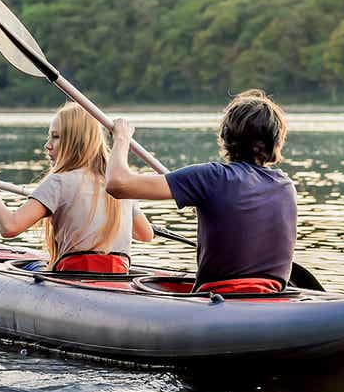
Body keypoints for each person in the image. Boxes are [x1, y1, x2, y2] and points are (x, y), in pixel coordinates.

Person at [105, 89, 296, 293]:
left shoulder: (210, 177)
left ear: (226, 136)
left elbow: (118, 183)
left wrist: (122, 138)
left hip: (218, 295)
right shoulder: (286, 186)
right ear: (276, 141)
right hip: (272, 295)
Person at [0, 102, 153, 273]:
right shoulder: (119, 186)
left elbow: (9, 227)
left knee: (30, 265)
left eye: (55, 137)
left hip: (74, 275)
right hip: (118, 275)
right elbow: (145, 234)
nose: (47, 146)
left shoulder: (59, 181)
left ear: (75, 140)